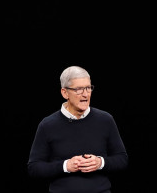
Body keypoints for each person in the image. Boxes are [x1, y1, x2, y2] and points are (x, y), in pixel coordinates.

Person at [28, 65, 128, 193]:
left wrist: (100, 162)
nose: (85, 94)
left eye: (88, 88)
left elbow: (122, 159)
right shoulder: (47, 125)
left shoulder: (106, 120)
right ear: (65, 93)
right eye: (79, 89)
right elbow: (34, 168)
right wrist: (66, 166)